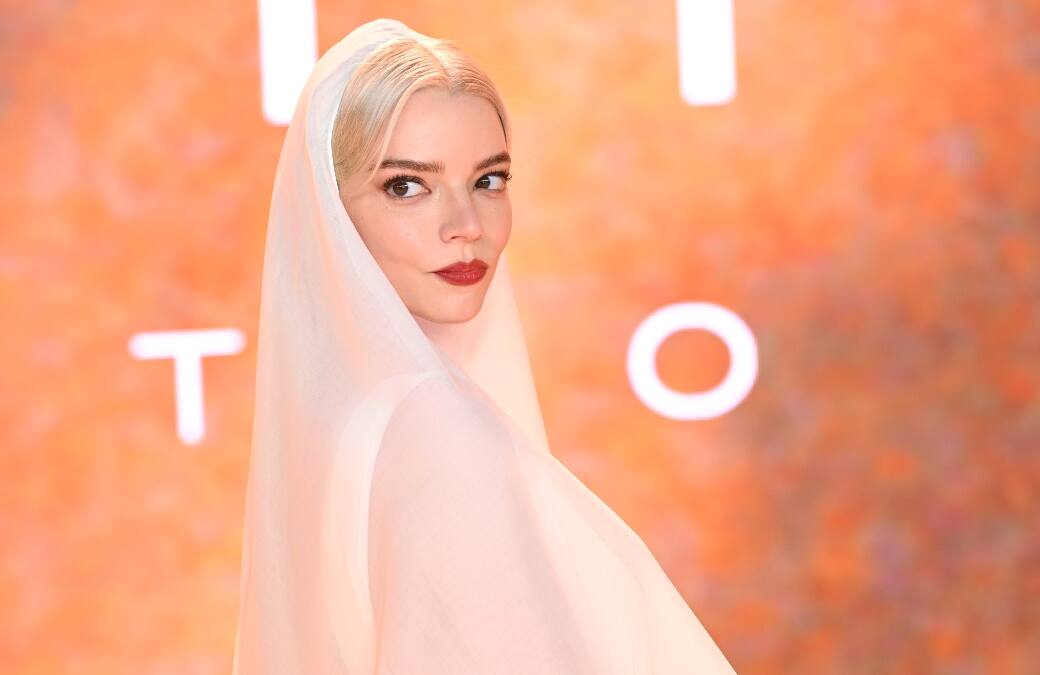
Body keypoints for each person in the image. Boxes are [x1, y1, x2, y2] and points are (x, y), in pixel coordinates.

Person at [230, 17, 738, 674]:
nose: (466, 225)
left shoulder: (339, 426)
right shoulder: (437, 430)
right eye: (406, 186)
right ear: (332, 210)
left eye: (488, 180)